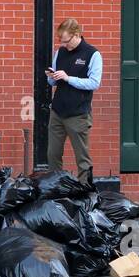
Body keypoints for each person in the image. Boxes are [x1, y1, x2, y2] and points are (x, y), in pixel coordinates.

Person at [45, 18, 103, 183]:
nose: (64, 45)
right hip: (57, 111)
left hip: (78, 114)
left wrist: (68, 78)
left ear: (76, 34)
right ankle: (55, 188)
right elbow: (54, 82)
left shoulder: (92, 54)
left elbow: (94, 83)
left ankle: (84, 192)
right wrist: (52, 77)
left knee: (82, 158)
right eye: (61, 41)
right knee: (53, 154)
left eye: (66, 41)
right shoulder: (60, 52)